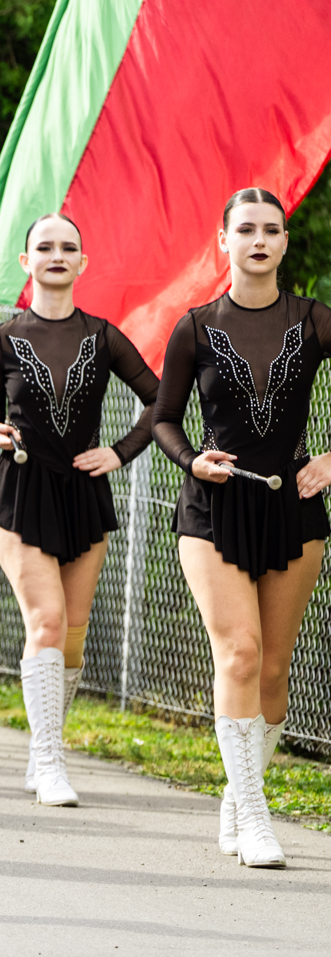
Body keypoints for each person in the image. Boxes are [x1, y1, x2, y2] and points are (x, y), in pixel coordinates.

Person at [152, 189, 331, 869]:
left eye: (271, 230)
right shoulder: (195, 326)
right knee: (241, 654)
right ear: (222, 240)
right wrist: (191, 459)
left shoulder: (314, 320)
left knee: (275, 669)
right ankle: (255, 814)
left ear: (285, 242)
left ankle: (239, 792)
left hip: (294, 505)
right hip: (212, 508)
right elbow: (164, 419)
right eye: (246, 229)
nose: (259, 240)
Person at [0, 214, 158, 806]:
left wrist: (120, 451)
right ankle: (51, 760)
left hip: (84, 492)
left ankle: (43, 749)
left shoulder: (104, 336)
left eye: (68, 247)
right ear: (26, 261)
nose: (57, 255)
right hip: (21, 490)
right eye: (45, 247)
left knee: (72, 636)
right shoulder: (0, 339)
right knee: (47, 622)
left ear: (83, 262)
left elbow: (161, 400)